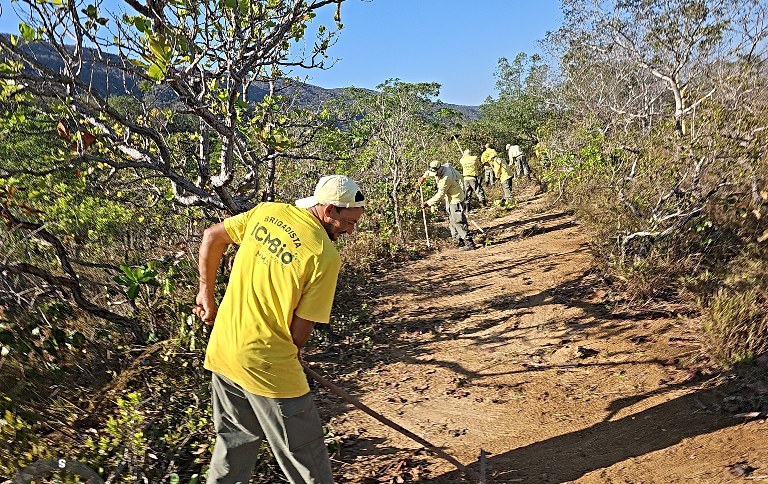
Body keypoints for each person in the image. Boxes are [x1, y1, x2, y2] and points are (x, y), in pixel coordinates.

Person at [194, 175, 366, 484]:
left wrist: (205, 295)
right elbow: (299, 334)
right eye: (349, 222)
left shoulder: (266, 212)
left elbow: (211, 237)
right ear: (328, 211)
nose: (351, 230)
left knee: (234, 447)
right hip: (269, 368)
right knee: (307, 461)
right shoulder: (323, 256)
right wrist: (294, 353)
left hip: (224, 351)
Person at [419, 160, 476, 250]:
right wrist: (423, 177)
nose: (434, 175)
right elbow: (429, 172)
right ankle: (459, 241)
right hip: (449, 199)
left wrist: (427, 203)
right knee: (451, 220)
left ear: (439, 169)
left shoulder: (446, 178)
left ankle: (469, 243)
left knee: (458, 221)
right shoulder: (442, 167)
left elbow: (440, 195)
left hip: (456, 199)